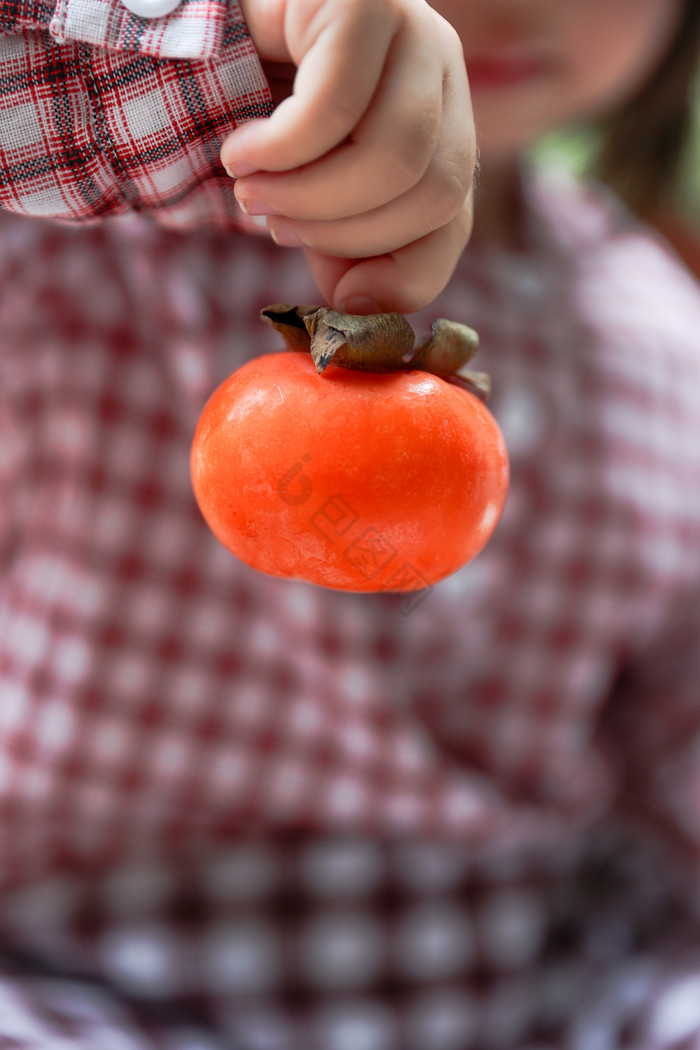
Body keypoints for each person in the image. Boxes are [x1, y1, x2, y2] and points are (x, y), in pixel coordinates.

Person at [0, 1, 700, 1049]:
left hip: (536, 987)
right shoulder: (90, 240)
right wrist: (230, 46)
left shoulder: (663, 340)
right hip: (69, 974)